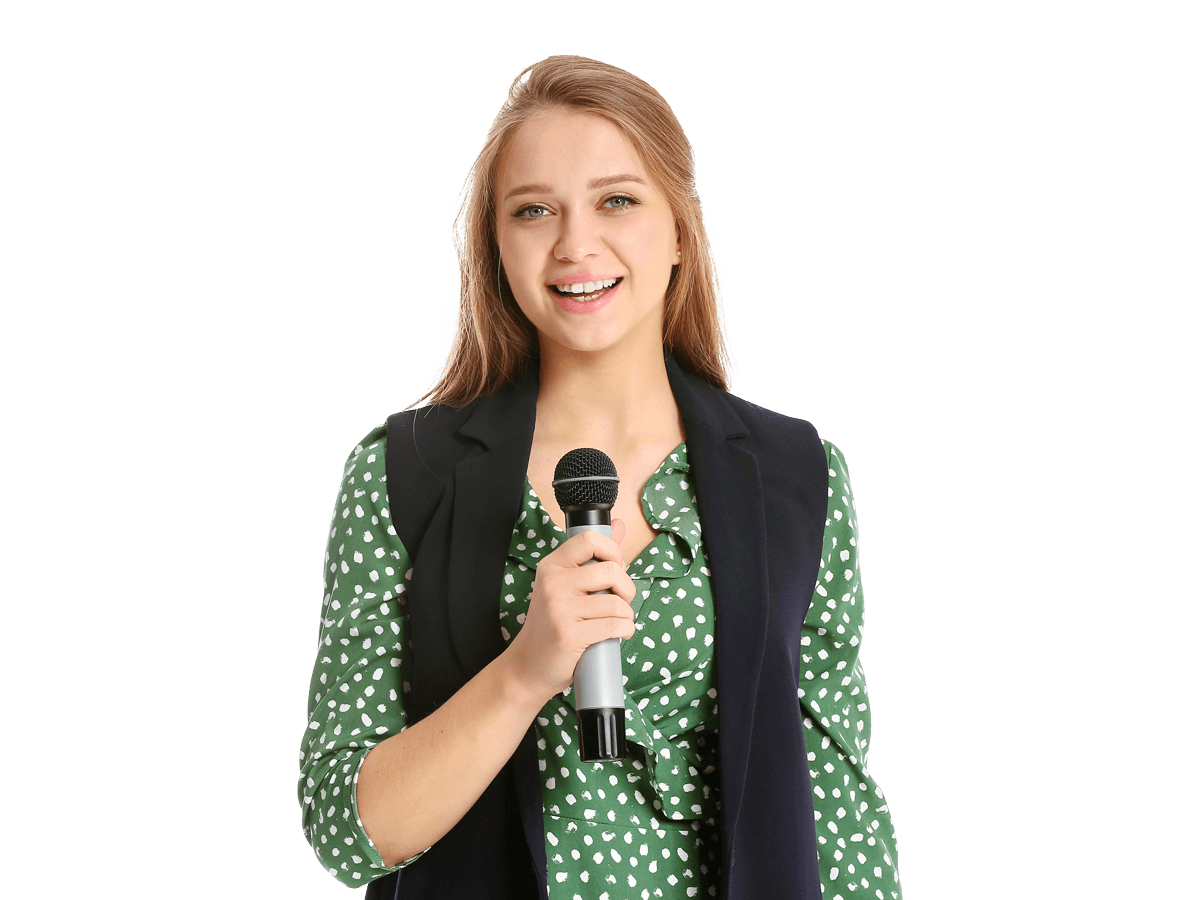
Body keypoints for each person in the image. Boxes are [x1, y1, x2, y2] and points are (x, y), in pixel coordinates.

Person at [297, 54, 901, 899]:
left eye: (617, 199)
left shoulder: (802, 475)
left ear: (682, 229)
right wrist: (526, 671)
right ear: (495, 244)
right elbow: (346, 832)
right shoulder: (402, 473)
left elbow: (840, 808)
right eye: (533, 210)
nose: (575, 244)